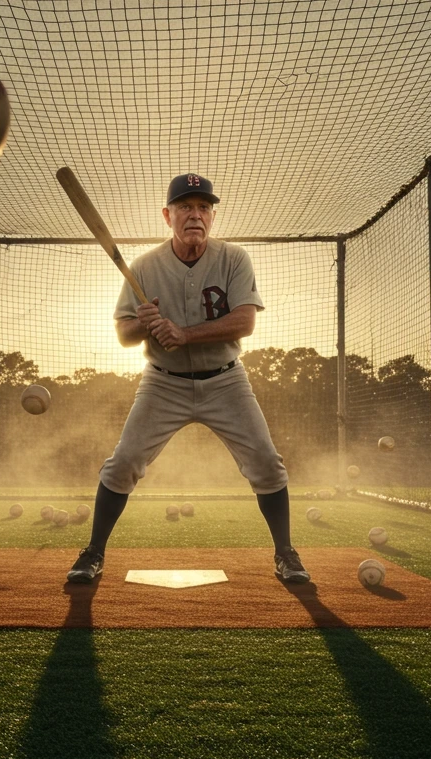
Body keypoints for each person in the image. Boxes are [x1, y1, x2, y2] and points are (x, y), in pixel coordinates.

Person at [67, 173, 309, 585]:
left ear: (212, 216)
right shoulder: (144, 266)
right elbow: (125, 335)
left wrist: (184, 333)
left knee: (267, 464)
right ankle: (93, 553)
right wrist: (143, 325)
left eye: (203, 207)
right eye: (184, 207)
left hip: (226, 381)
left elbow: (245, 321)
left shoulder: (234, 258)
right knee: (123, 463)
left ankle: (285, 554)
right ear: (168, 215)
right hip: (163, 383)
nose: (194, 215)